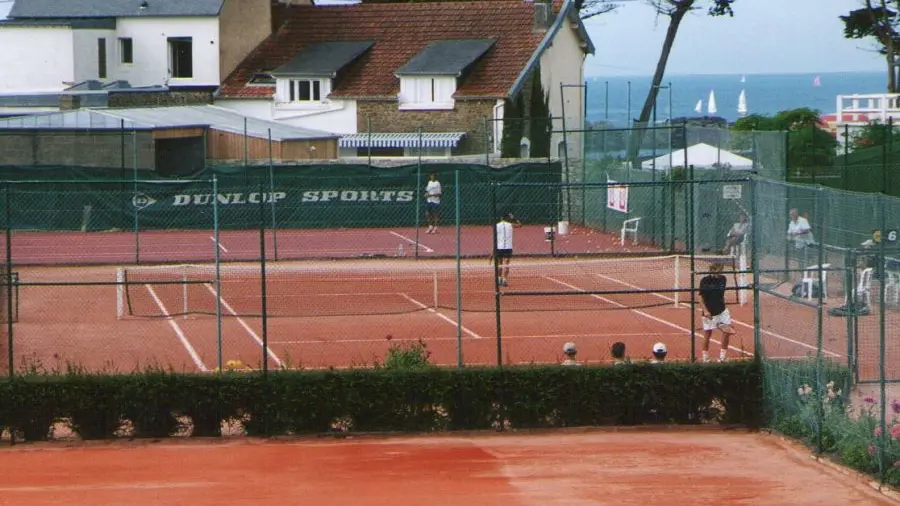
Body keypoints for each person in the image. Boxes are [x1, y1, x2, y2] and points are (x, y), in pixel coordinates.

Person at [699, 262, 736, 363]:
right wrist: (706, 311)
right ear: (712, 270)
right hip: (709, 312)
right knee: (708, 334)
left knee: (727, 331)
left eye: (721, 270)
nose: (720, 272)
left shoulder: (723, 279)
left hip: (722, 311)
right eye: (718, 270)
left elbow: (720, 295)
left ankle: (722, 357)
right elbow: (700, 298)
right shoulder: (705, 280)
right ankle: (705, 358)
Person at [494, 211, 521, 287]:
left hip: (499, 247)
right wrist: (514, 219)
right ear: (507, 218)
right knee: (506, 264)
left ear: (501, 218)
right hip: (508, 248)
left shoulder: (496, 225)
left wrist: (493, 249)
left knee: (500, 264)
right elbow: (520, 225)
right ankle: (504, 280)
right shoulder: (511, 225)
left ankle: (499, 280)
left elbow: (495, 237)